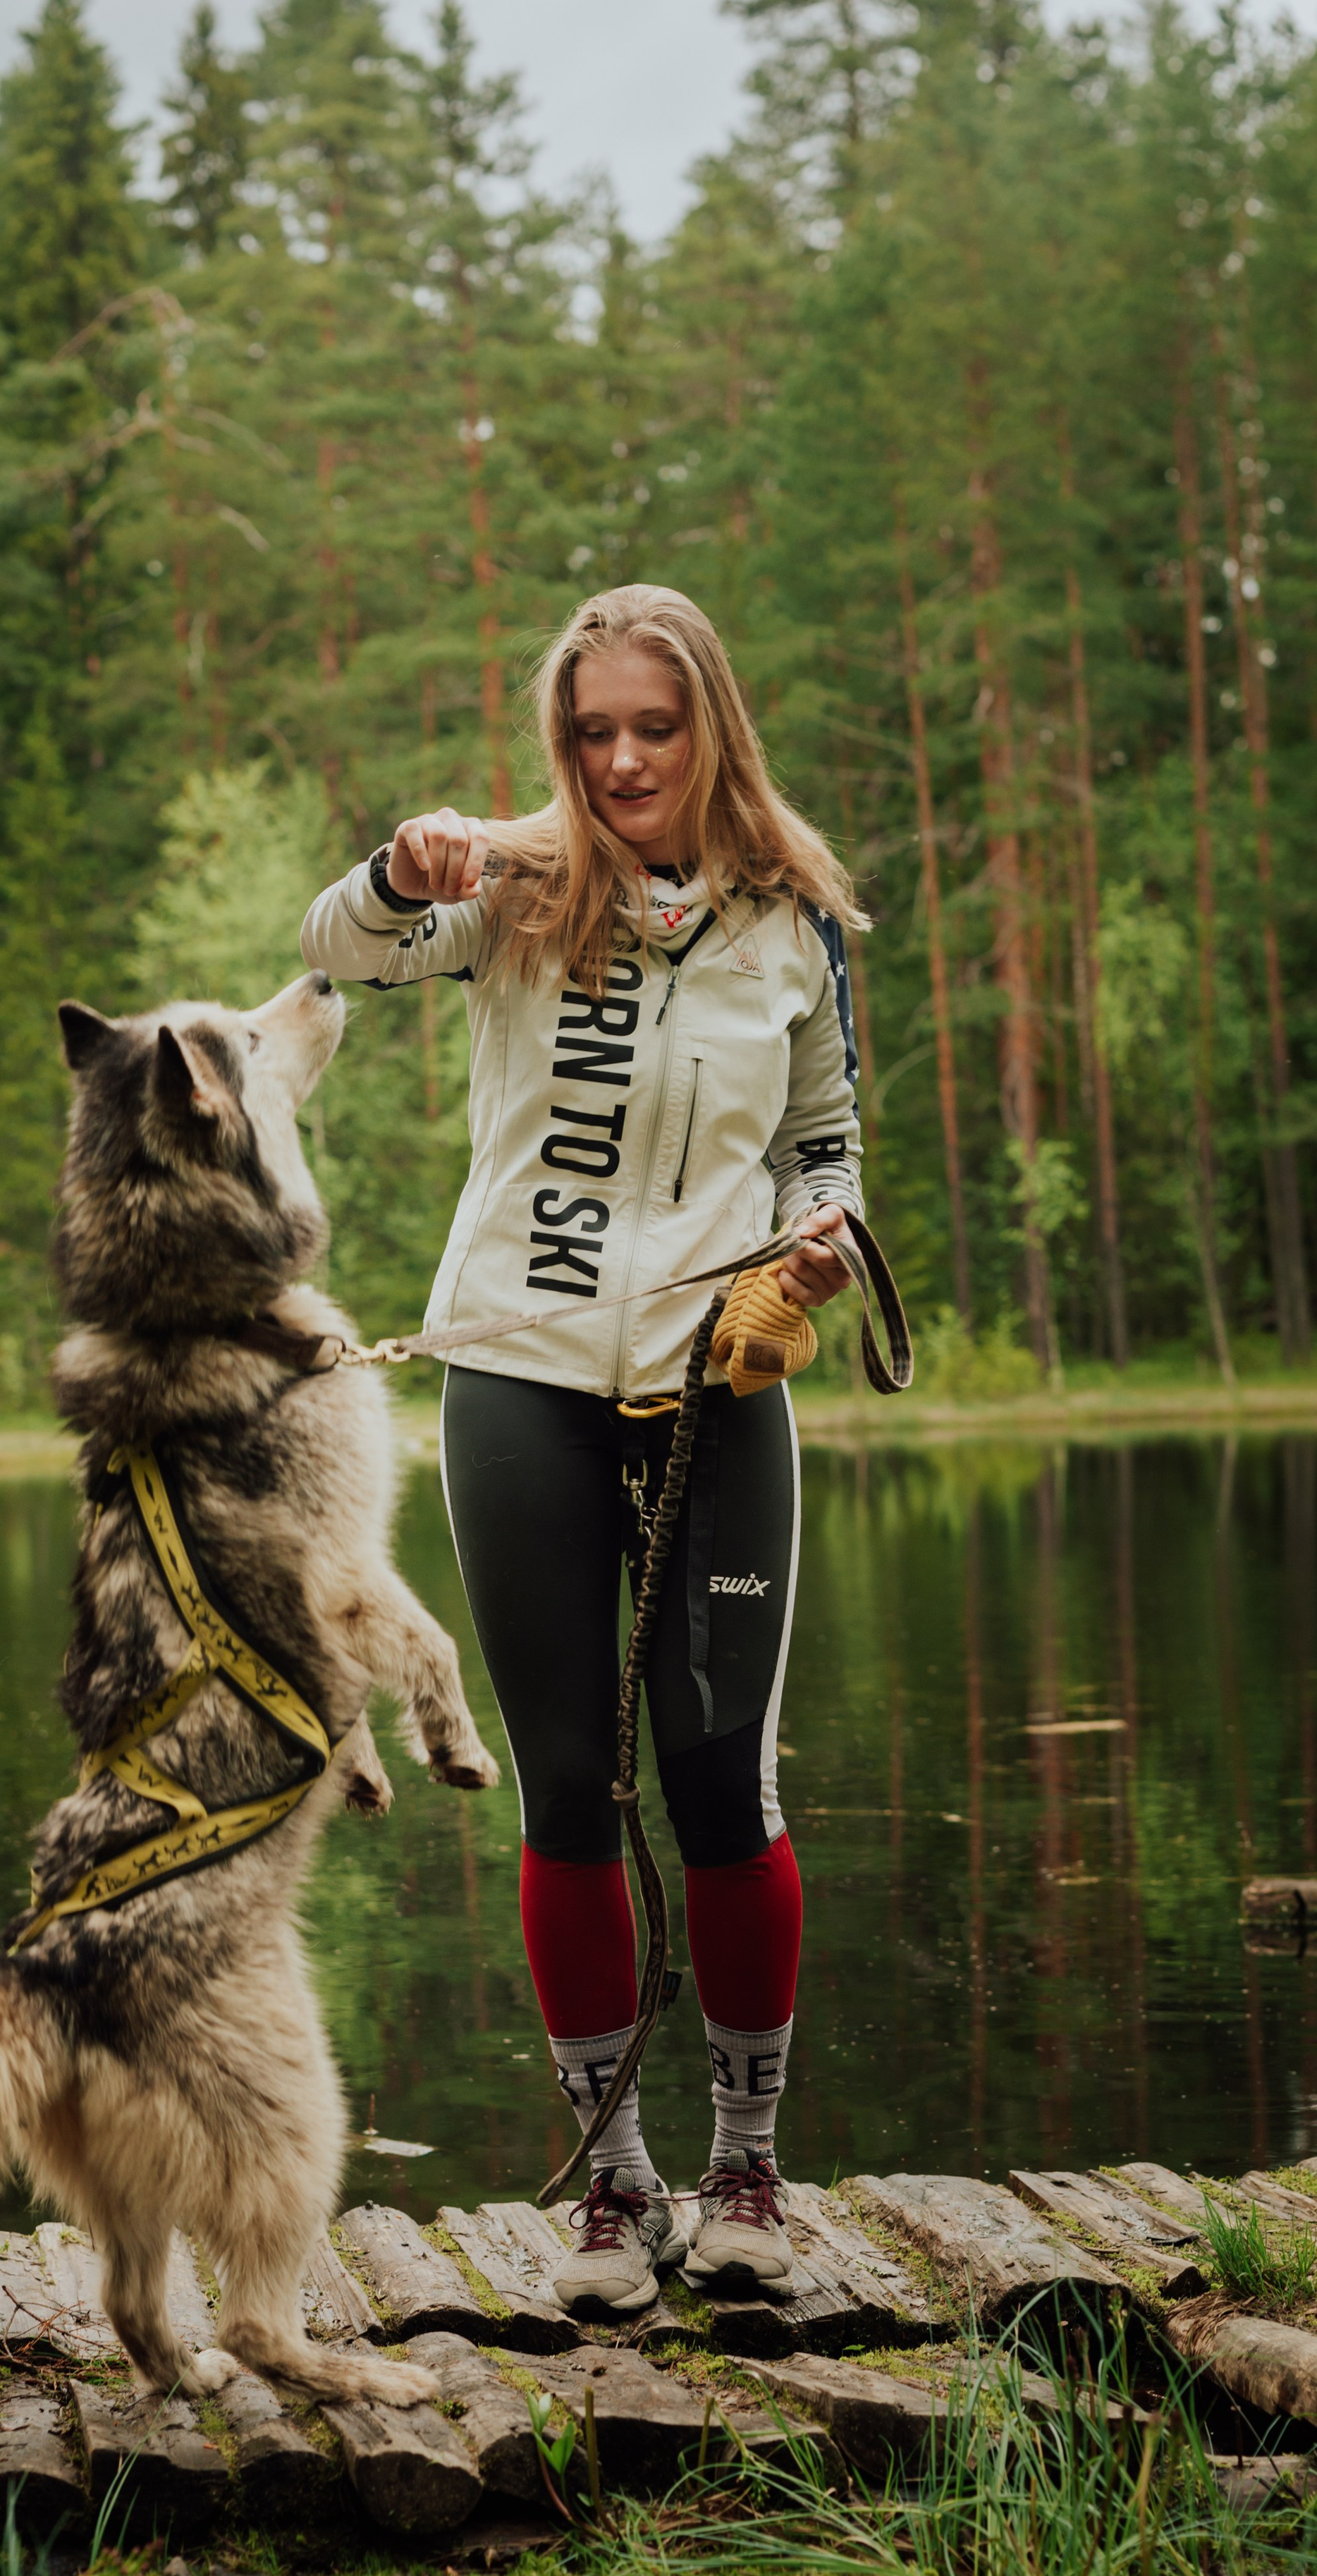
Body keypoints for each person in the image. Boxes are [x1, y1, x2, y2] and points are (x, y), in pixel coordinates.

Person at [300, 584, 864, 2319]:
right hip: (516, 1382)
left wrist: (823, 1238)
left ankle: (749, 2169)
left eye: (653, 724)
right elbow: (338, 952)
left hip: (719, 1385)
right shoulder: (515, 884)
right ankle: (614, 2190)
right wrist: (401, 875)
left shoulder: (796, 919)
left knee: (719, 1783)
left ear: (710, 726)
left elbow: (827, 1138)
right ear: (561, 739)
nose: (620, 758)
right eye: (590, 729)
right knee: (564, 1785)